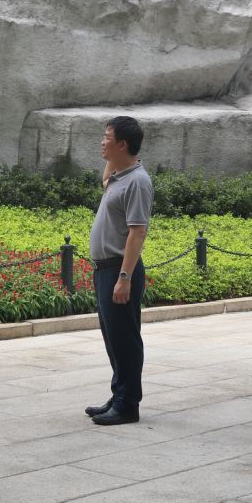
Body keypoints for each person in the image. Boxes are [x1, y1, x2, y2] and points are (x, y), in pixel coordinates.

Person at [84, 116, 153, 426]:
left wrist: (124, 277)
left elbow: (138, 232)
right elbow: (105, 180)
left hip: (119, 269)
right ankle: (119, 394)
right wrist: (111, 161)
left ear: (123, 144)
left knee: (125, 338)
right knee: (113, 338)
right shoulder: (119, 178)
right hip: (105, 269)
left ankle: (128, 404)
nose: (102, 142)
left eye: (107, 138)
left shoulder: (138, 181)